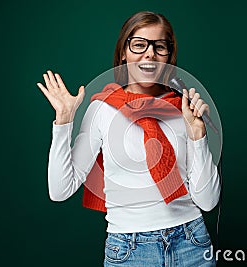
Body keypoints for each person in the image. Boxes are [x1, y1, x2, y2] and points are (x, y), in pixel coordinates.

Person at [37, 11, 220, 267]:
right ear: (124, 52)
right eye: (139, 45)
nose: (149, 54)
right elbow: (60, 190)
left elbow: (208, 201)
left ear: (169, 55)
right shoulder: (103, 110)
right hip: (129, 250)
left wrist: (198, 135)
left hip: (192, 243)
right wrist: (64, 120)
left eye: (160, 47)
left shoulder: (184, 109)